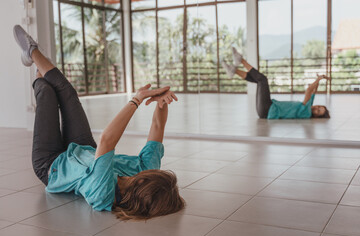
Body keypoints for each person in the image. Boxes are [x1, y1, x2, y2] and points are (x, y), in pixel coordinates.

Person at [13, 25, 185, 220]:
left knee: (47, 93)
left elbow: (107, 140)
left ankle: (38, 62)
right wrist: (162, 102)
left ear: (143, 182)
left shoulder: (103, 194)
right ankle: (34, 55)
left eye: (151, 175)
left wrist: (136, 100)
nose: (152, 171)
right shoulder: (144, 171)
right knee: (68, 92)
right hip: (85, 149)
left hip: (51, 164)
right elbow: (157, 127)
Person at [222, 47, 330, 119]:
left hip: (267, 110)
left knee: (263, 80)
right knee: (259, 81)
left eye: (319, 111)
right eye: (319, 107)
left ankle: (241, 60)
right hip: (267, 108)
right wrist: (320, 80)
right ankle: (233, 71)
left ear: (316, 116)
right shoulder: (309, 106)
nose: (316, 108)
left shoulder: (306, 113)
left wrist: (318, 79)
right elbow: (313, 91)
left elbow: (309, 90)